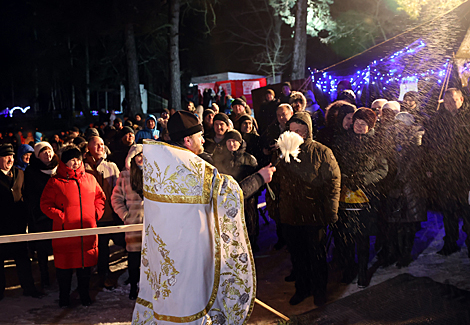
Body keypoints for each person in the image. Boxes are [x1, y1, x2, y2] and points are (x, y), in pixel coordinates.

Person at [132, 111, 275, 324]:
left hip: (165, 249)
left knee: (170, 297)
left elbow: (139, 183)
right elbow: (229, 195)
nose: (203, 139)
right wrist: (260, 178)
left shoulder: (160, 161)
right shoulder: (194, 167)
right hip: (191, 248)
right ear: (188, 140)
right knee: (193, 298)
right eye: (200, 136)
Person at [276, 112, 341, 306]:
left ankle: (319, 290)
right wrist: (276, 208)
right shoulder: (283, 151)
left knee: (317, 256)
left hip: (314, 214)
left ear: (307, 132)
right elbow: (275, 183)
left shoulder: (322, 151)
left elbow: (333, 181)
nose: (294, 134)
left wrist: (331, 211)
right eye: (291, 130)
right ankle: (302, 289)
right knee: (298, 256)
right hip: (291, 214)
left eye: (299, 131)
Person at [40, 145, 106, 307]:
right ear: (64, 162)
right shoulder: (55, 182)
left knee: (86, 266)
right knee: (65, 268)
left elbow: (100, 198)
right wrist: (61, 216)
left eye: (78, 159)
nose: (75, 163)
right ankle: (64, 296)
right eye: (71, 160)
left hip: (87, 231)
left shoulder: (90, 179)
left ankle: (84, 294)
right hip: (65, 232)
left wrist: (96, 214)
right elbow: (45, 204)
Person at [335, 108, 388, 287]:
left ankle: (363, 270)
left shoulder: (377, 143)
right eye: (356, 122)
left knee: (362, 236)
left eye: (363, 124)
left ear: (370, 125)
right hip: (345, 195)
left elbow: (383, 169)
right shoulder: (343, 140)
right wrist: (345, 178)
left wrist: (364, 179)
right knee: (346, 236)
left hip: (367, 196)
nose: (358, 126)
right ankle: (350, 268)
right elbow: (336, 164)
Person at [423, 88, 470, 256]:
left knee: (468, 211)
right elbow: (428, 145)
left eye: (453, 100)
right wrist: (429, 168)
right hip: (445, 173)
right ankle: (450, 242)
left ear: (461, 100)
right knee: (448, 211)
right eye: (447, 101)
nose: (450, 105)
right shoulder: (437, 119)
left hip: (466, 175)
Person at [0, 143, 43, 300]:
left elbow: (26, 194)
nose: (10, 159)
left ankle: (29, 288)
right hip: (2, 226)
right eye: (6, 156)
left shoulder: (19, 173)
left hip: (18, 224)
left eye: (11, 155)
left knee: (23, 258)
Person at [84, 136, 124, 289]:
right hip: (91, 216)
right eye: (97, 145)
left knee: (112, 244)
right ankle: (99, 274)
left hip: (110, 214)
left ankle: (105, 273)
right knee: (98, 247)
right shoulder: (83, 167)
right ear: (89, 148)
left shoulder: (111, 166)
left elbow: (119, 190)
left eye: (102, 144)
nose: (101, 147)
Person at [212, 130, 260, 249]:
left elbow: (256, 179)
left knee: (249, 221)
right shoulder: (222, 159)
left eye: (235, 141)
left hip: (247, 197)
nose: (232, 144)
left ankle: (252, 244)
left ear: (240, 142)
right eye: (229, 141)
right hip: (228, 196)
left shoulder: (250, 159)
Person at [23, 142, 59, 288]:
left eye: (49, 151)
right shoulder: (31, 172)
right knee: (42, 249)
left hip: (57, 215)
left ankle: (60, 275)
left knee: (59, 247)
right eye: (43, 152)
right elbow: (29, 195)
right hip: (40, 217)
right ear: (37, 155)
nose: (47, 154)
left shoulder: (59, 169)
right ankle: (45, 277)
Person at [111, 144, 144, 300]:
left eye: (144, 155)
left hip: (152, 224)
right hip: (133, 222)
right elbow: (116, 198)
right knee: (133, 258)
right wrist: (125, 215)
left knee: (150, 258)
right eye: (138, 155)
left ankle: (147, 289)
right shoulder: (125, 175)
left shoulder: (155, 173)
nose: (141, 158)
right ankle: (133, 287)